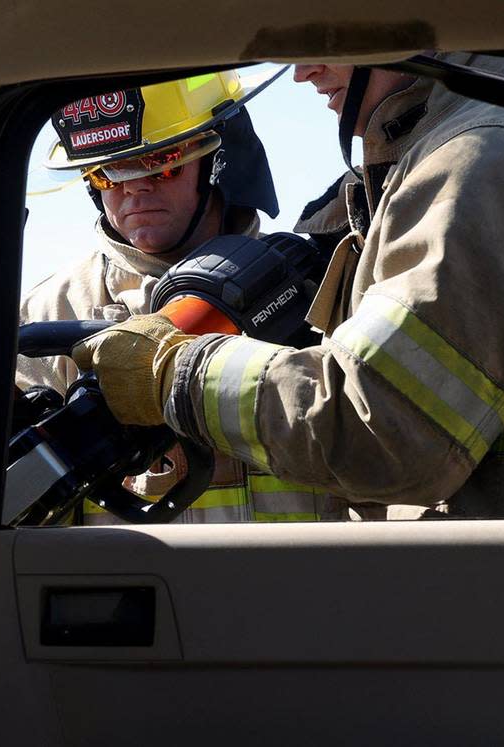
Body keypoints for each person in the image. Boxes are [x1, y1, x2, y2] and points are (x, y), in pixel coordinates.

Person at [73, 54, 504, 519]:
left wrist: (173, 373)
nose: (303, 71)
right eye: (110, 176)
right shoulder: (490, 139)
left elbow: (386, 429)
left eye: (331, 31)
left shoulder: (489, 157)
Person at [17, 70, 347, 523]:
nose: (133, 186)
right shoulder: (51, 313)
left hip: (316, 588)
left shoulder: (325, 288)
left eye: (163, 159)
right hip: (150, 592)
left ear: (218, 161)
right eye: (105, 173)